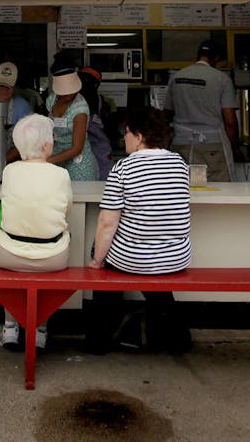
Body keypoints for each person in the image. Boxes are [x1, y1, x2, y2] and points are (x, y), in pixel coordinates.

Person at [86, 107, 192, 354]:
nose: (125, 139)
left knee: (103, 257)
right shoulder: (179, 163)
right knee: (154, 268)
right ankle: (177, 337)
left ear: (140, 136)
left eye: (127, 133)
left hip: (135, 259)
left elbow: (107, 223)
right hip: (175, 257)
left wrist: (96, 261)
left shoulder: (124, 168)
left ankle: (99, 339)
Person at [0, 114, 71, 352]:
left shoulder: (9, 172)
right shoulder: (60, 175)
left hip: (8, 255)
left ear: (18, 145)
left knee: (6, 243)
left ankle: (9, 326)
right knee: (58, 238)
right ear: (47, 145)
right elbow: (66, 208)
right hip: (52, 259)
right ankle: (39, 329)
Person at [165, 39, 241, 181]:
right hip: (212, 147)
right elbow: (230, 121)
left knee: (182, 187)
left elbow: (166, 115)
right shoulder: (222, 79)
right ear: (216, 58)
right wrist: (235, 149)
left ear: (198, 55)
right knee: (218, 191)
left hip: (180, 145)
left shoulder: (176, 77)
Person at [46, 67, 99, 180]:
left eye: (72, 91)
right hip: (56, 158)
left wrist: (46, 161)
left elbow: (77, 148)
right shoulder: (51, 100)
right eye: (65, 93)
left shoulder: (80, 108)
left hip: (79, 165)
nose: (69, 95)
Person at [79, 66, 116, 178]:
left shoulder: (106, 103)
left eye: (86, 80)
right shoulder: (73, 103)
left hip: (101, 152)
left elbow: (112, 130)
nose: (83, 84)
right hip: (80, 152)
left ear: (96, 84)